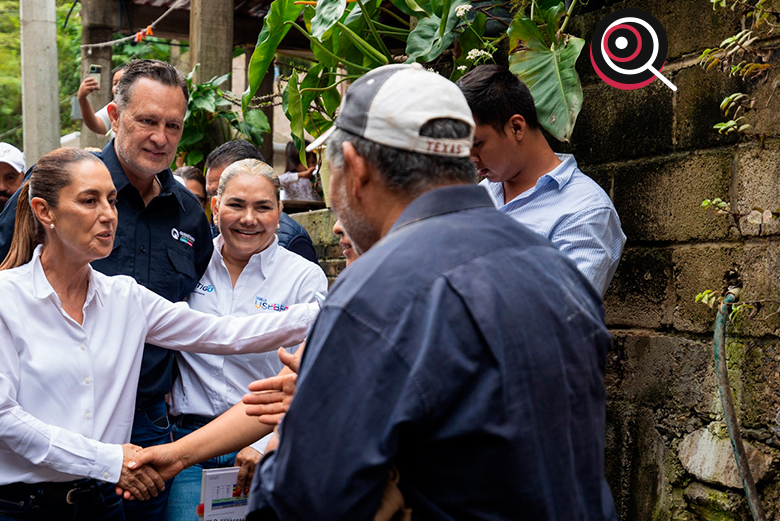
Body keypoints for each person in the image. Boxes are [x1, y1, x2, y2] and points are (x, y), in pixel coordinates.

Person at [241, 63, 616, 519]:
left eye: (329, 173)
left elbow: (299, 503)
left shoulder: (377, 292)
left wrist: (310, 412)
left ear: (355, 170)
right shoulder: (555, 268)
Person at [0, 148, 319, 521]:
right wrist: (108, 459)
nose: (108, 215)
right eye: (90, 201)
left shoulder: (126, 297)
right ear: (45, 211)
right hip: (15, 507)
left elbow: (227, 333)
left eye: (112, 200)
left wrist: (329, 311)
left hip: (99, 505)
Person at [165, 159, 327, 520]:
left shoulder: (303, 277)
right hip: (190, 445)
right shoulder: (189, 263)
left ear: (280, 211)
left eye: (263, 207)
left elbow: (307, 374)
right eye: (236, 204)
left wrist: (263, 443)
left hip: (268, 445)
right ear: (215, 206)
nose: (248, 218)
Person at [457, 65, 625, 295]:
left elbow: (561, 314)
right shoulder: (479, 194)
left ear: (516, 127)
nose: (470, 158)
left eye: (477, 144)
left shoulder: (584, 210)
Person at [204, 140, 318, 264]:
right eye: (212, 194)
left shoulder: (292, 243)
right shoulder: (207, 240)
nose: (248, 219)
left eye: (262, 207)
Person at [78, 63, 128, 136]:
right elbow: (95, 124)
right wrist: (82, 98)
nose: (118, 86)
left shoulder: (145, 106)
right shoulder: (114, 108)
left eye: (123, 82)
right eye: (115, 83)